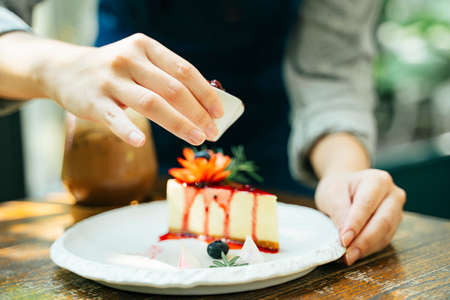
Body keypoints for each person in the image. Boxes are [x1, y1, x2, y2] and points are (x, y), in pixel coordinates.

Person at [0, 0, 405, 266]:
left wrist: (344, 173)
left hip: (274, 150)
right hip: (121, 147)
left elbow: (331, 74)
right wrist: (53, 67)